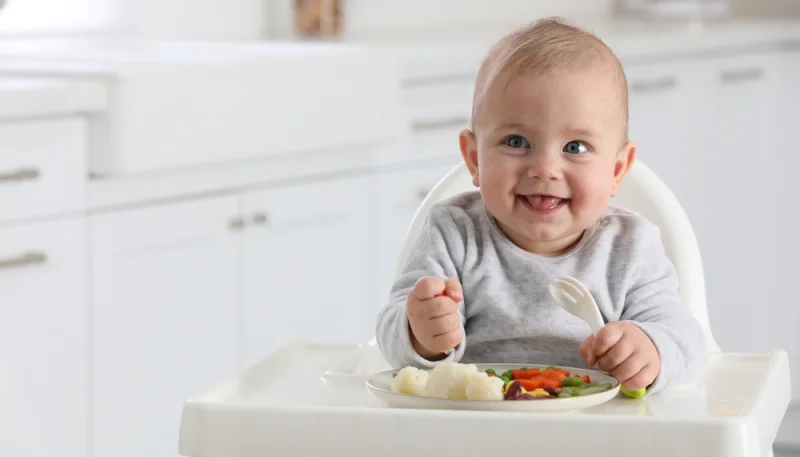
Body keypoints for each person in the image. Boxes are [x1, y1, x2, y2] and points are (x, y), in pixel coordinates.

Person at [374, 17, 707, 394]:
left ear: (617, 170)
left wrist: (651, 348)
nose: (545, 169)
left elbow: (687, 339)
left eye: (575, 147)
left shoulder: (630, 248)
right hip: (477, 429)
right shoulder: (454, 234)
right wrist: (419, 332)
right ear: (475, 159)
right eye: (516, 142)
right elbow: (389, 329)